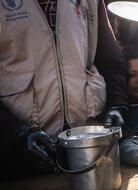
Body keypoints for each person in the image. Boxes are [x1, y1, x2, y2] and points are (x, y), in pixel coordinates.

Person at [0, 0, 129, 179]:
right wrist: (14, 132)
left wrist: (117, 106)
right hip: (22, 158)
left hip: (91, 148)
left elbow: (112, 62)